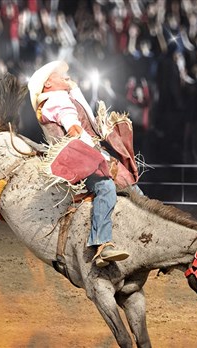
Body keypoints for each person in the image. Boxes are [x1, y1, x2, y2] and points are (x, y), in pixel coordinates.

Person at [27, 60, 129, 267]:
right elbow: (74, 129)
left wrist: (75, 88)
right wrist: (102, 158)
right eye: (60, 74)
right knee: (106, 187)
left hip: (83, 154)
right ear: (48, 84)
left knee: (128, 185)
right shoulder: (58, 100)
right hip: (81, 158)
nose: (67, 75)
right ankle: (100, 245)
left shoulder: (62, 97)